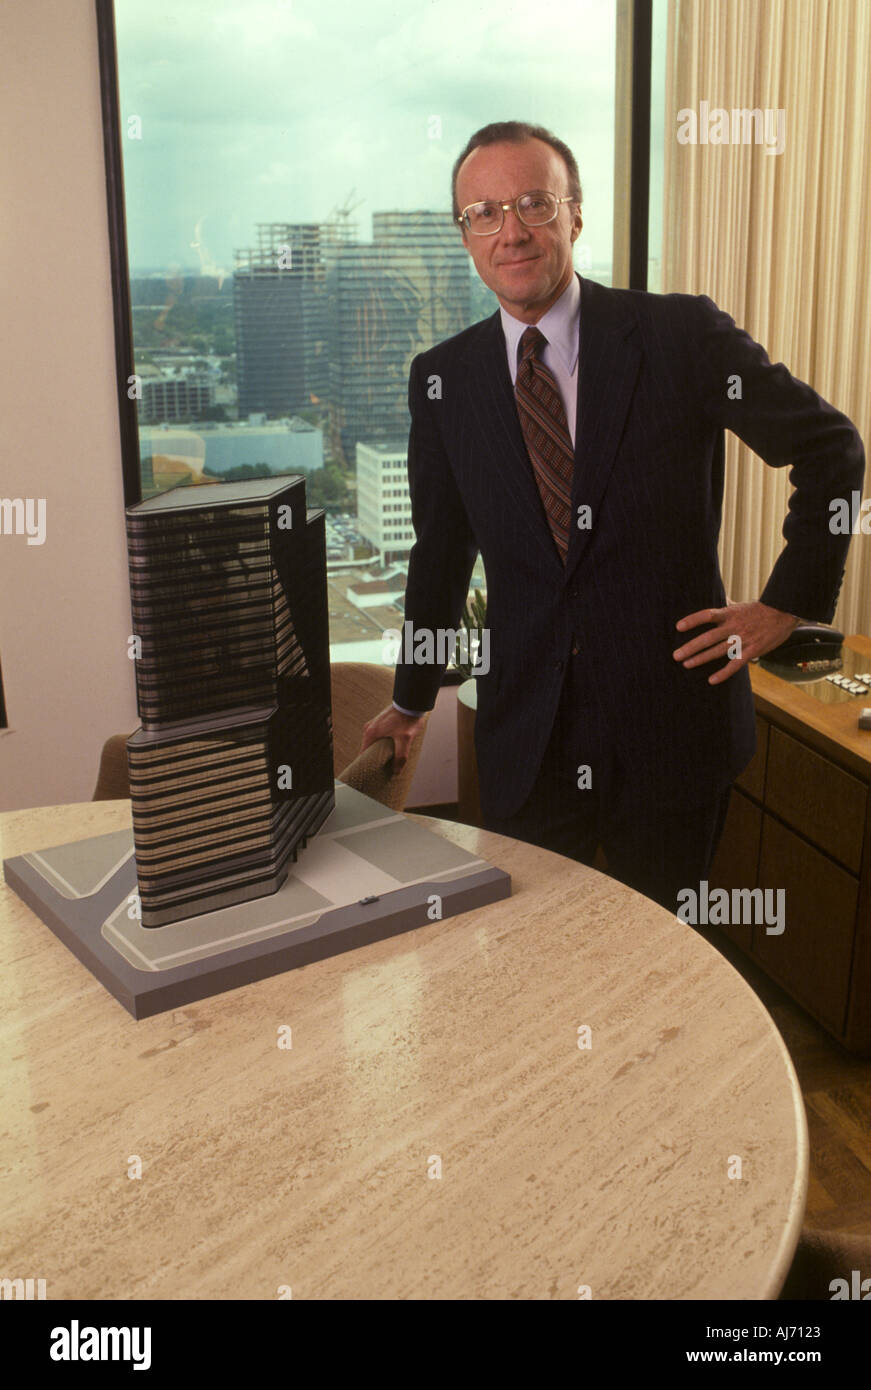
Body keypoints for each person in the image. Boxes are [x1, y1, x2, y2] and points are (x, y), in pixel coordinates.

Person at [359, 120, 865, 910]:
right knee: (536, 961)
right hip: (529, 738)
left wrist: (786, 605)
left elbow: (832, 449)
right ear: (464, 235)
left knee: (664, 969)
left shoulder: (679, 336)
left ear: (574, 214)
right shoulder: (443, 380)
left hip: (671, 730)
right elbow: (441, 550)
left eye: (532, 203)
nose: (511, 231)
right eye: (483, 213)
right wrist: (412, 697)